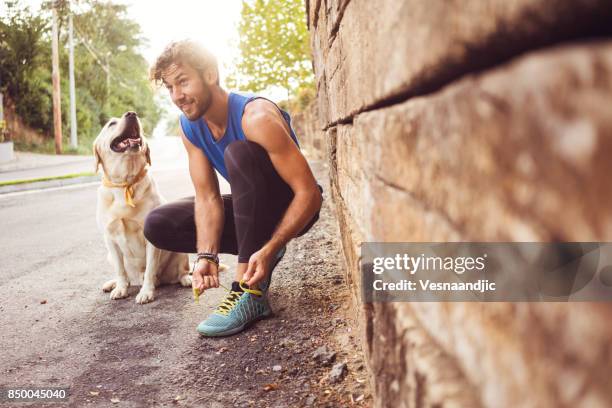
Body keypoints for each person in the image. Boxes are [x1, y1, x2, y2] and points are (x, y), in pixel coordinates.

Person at [144, 40, 323, 337]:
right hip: (252, 209)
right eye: (170, 88)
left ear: (210, 74)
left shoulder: (256, 117)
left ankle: (248, 292)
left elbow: (310, 194)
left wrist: (271, 247)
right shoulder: (190, 127)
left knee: (239, 153)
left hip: (292, 208)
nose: (177, 96)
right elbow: (207, 197)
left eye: (183, 82)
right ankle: (255, 255)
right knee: (158, 224)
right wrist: (206, 256)